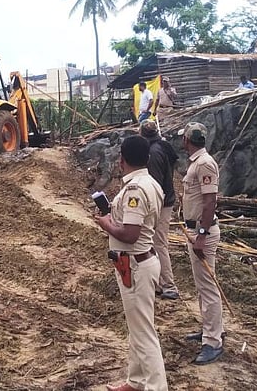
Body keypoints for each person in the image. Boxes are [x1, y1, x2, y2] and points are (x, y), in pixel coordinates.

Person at [94, 136, 168, 391]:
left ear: (121, 159)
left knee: (144, 333)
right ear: (147, 158)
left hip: (136, 265)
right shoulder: (151, 183)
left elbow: (130, 234)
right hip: (138, 262)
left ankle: (156, 387)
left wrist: (106, 224)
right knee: (137, 327)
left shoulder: (135, 189)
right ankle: (136, 381)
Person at [178, 122, 224, 365]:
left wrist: (202, 235)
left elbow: (210, 201)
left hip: (201, 231)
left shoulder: (204, 163)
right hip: (195, 229)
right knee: (203, 286)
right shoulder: (197, 162)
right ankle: (210, 328)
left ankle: (213, 341)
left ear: (187, 140)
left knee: (207, 287)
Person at [139, 120, 180, 301]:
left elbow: (155, 184)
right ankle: (157, 282)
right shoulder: (162, 146)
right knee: (153, 242)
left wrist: (149, 206)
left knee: (158, 243)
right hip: (165, 200)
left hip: (160, 203)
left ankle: (169, 285)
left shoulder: (153, 153)